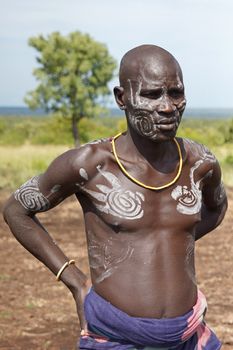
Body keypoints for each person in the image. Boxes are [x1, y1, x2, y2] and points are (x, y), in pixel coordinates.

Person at [3, 45, 227, 350]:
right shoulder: (90, 164)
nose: (167, 107)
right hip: (115, 337)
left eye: (175, 93)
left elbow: (217, 208)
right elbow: (16, 209)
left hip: (189, 334)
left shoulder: (199, 162)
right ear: (121, 98)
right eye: (151, 95)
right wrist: (74, 280)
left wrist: (177, 238)